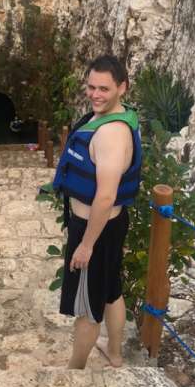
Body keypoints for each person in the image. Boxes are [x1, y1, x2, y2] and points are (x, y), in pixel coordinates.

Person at [51, 54, 143, 368]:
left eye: (104, 88)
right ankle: (115, 353)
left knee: (87, 308)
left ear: (122, 88)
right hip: (110, 226)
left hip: (96, 228)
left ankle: (74, 371)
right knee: (111, 290)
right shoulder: (114, 117)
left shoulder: (111, 135)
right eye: (91, 87)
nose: (95, 95)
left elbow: (105, 196)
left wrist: (86, 245)